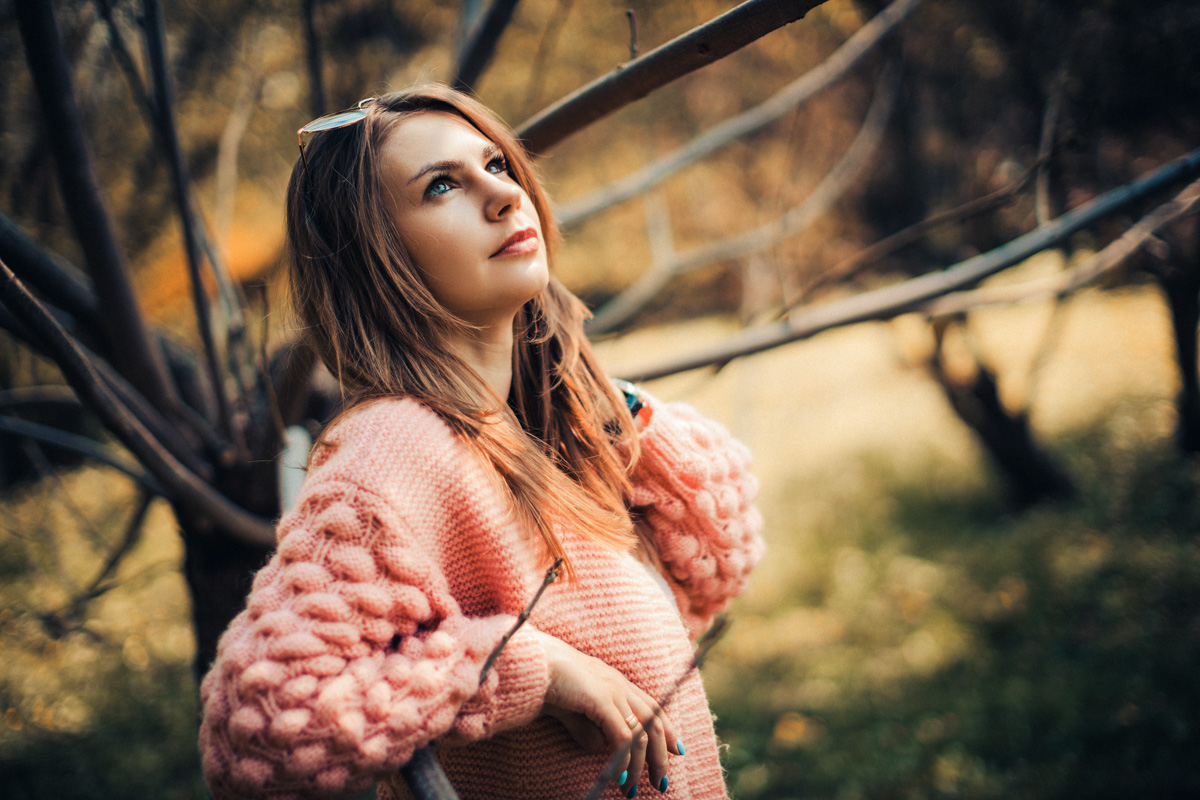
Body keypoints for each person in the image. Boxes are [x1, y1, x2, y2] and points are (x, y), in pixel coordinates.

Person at [198, 84, 764, 800]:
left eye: (496, 165)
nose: (502, 197)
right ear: (376, 255)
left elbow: (717, 560)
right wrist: (527, 669)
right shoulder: (397, 448)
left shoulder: (529, 430)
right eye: (442, 186)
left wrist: (592, 402)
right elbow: (260, 729)